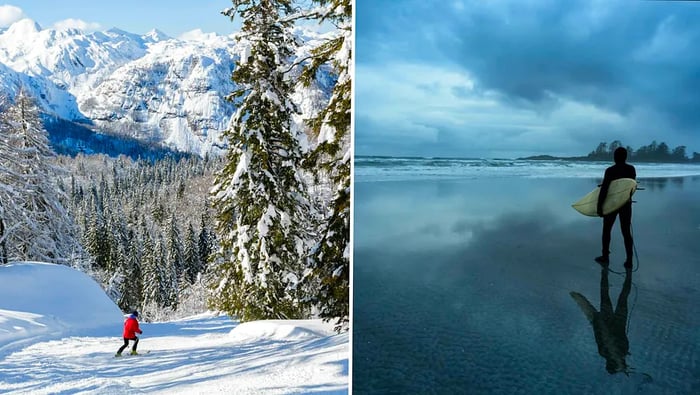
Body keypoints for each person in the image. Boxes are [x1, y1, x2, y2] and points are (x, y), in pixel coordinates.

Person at [570, 266, 633, 374]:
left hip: (615, 320)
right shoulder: (605, 352)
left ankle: (627, 275)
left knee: (622, 296)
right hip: (608, 319)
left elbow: (603, 335)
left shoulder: (619, 352)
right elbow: (600, 334)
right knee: (606, 294)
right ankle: (606, 272)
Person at [595, 147, 636, 269]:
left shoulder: (610, 170)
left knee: (606, 230)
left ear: (615, 157)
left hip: (611, 204)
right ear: (625, 157)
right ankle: (629, 260)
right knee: (626, 232)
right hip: (625, 204)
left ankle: (605, 257)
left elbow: (605, 190)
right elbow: (631, 186)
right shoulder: (631, 169)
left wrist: (599, 206)